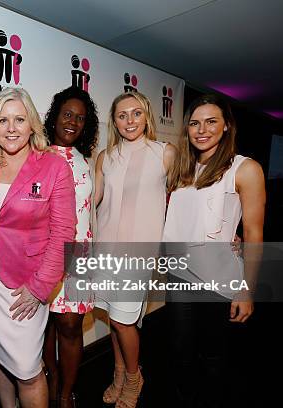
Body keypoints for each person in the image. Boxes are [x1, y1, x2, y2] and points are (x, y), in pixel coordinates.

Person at [0, 87, 76, 408]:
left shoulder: (55, 167)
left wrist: (39, 287)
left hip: (24, 285)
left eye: (19, 119)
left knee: (29, 370)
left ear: (32, 123)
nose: (12, 128)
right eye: (3, 120)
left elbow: (64, 233)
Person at [163, 94, 265, 407]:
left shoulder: (245, 169)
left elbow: (253, 233)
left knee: (213, 356)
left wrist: (246, 291)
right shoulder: (183, 169)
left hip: (218, 282)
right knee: (180, 352)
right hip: (179, 275)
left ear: (227, 126)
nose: (202, 129)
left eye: (211, 121)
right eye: (194, 122)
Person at [94, 91, 176, 408]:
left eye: (136, 113)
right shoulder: (106, 157)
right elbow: (93, 202)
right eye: (122, 115)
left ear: (147, 117)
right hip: (104, 250)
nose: (130, 120)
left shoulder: (164, 153)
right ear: (114, 121)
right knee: (114, 318)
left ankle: (133, 377)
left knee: (124, 320)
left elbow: (183, 198)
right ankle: (118, 372)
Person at [41, 86, 99, 408]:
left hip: (79, 252)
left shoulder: (85, 160)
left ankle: (66, 394)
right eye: (67, 114)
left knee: (70, 324)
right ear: (55, 116)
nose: (73, 122)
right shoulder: (37, 155)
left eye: (80, 118)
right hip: (47, 249)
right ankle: (51, 380)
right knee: (47, 323)